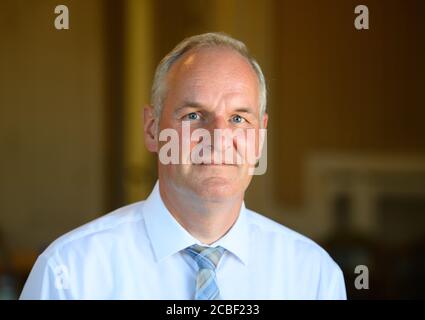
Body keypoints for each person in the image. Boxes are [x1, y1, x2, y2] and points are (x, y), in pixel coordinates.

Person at [20, 32, 346, 299]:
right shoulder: (69, 273)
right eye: (193, 116)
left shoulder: (314, 277)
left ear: (259, 137)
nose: (218, 137)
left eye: (237, 118)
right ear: (152, 129)